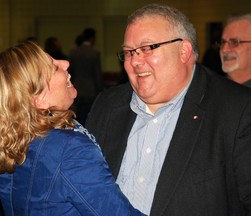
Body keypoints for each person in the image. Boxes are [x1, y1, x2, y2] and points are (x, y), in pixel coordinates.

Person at [85, 3, 251, 216]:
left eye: (147, 48)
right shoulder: (107, 106)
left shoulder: (240, 111)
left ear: (184, 51)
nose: (135, 61)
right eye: (128, 52)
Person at [0, 41, 145, 216]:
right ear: (39, 100)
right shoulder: (69, 149)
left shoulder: (12, 140)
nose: (66, 63)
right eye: (53, 67)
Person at [69, 28, 103, 125]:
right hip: (91, 90)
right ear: (92, 38)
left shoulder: (73, 52)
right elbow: (97, 75)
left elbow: (70, 73)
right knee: (89, 116)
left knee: (76, 116)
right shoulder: (94, 53)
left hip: (76, 88)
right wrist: (100, 91)